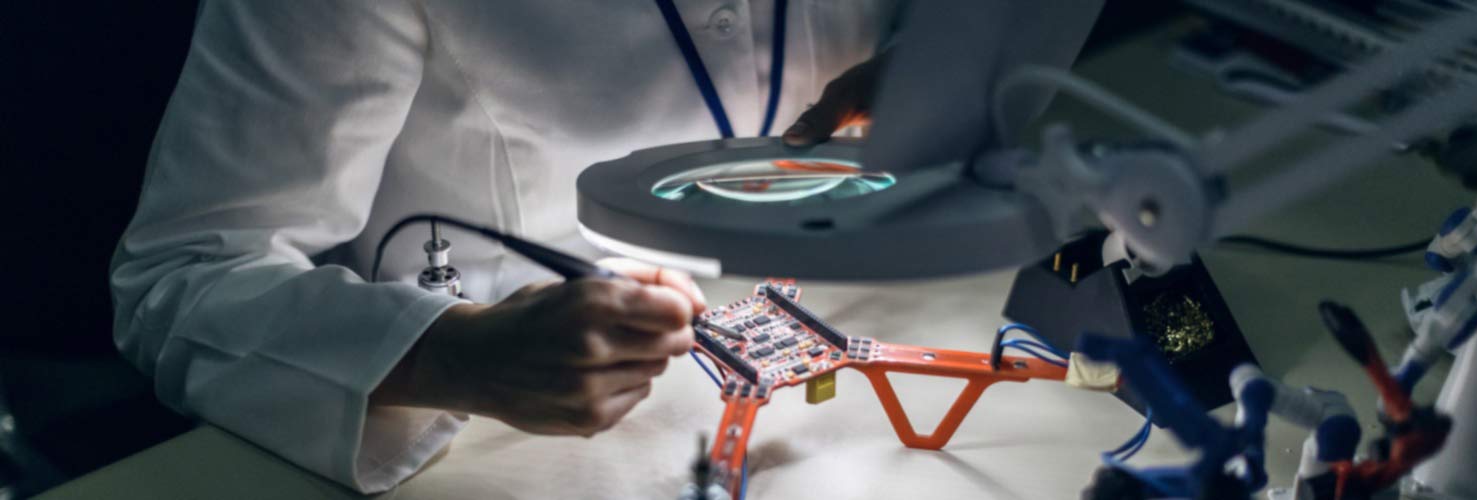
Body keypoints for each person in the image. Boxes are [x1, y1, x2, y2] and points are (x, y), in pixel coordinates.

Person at [109, 0, 902, 493]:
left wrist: (969, 79)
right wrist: (446, 355)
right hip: (498, 443)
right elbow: (179, 279)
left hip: (849, 396)